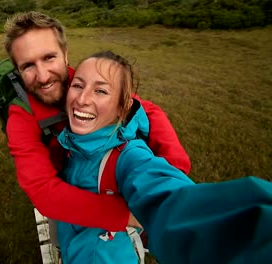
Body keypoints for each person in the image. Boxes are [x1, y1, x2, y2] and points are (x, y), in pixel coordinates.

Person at [57, 50, 272, 263]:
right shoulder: (73, 143)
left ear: (122, 107)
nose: (82, 99)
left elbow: (170, 201)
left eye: (101, 91)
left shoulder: (128, 157)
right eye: (78, 85)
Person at [3, 11, 190, 232]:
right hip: (73, 188)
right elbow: (43, 190)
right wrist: (127, 215)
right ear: (18, 71)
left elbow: (145, 108)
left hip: (106, 167)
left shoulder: (84, 78)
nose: (43, 77)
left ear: (65, 54)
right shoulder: (20, 118)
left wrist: (174, 166)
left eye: (48, 58)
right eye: (28, 66)